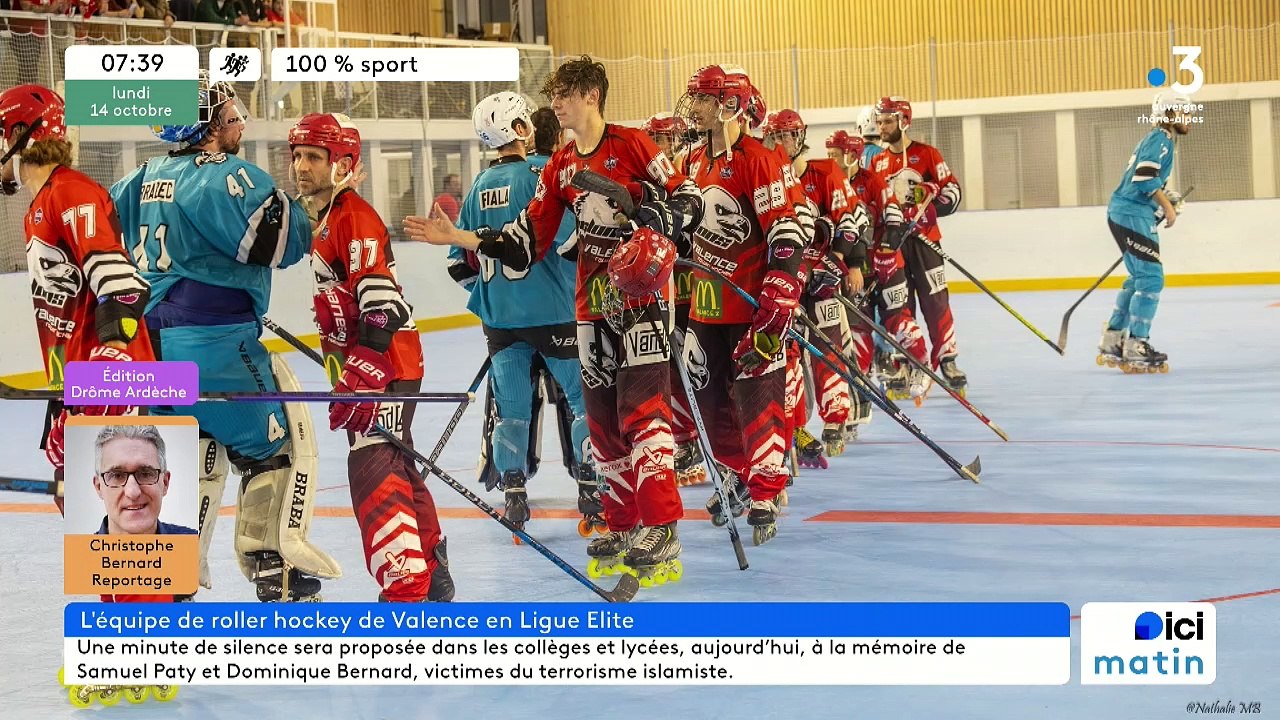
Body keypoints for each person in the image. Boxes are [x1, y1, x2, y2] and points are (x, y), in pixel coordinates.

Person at [406, 55, 702, 586]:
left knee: (642, 411)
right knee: (603, 421)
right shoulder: (559, 164)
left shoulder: (633, 144)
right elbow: (527, 242)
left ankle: (661, 523)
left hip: (643, 298)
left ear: (590, 94)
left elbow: (687, 197)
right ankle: (621, 518)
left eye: (563, 93)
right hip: (590, 305)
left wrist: (656, 220)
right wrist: (460, 240)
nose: (555, 103)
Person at [110, 72, 339, 602]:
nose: (237, 117)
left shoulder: (139, 177)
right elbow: (279, 244)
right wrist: (318, 205)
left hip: (150, 349)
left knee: (187, 455)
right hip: (218, 344)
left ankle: (159, 581)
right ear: (211, 122)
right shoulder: (229, 175)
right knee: (275, 447)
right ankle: (272, 565)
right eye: (230, 110)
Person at [290, 112, 453, 602]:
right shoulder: (326, 218)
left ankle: (406, 583)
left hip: (385, 367)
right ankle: (432, 562)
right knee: (394, 460)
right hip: (373, 367)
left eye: (314, 157)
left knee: (372, 470)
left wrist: (362, 368)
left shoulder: (353, 216)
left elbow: (382, 302)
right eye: (297, 155)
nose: (301, 166)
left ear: (342, 163)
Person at [0, 84, 154, 516]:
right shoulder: (41, 205)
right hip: (82, 385)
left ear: (20, 134)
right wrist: (65, 398)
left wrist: (104, 379)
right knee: (100, 541)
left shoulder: (70, 191)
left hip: (112, 390)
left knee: (129, 545)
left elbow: (123, 285)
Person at [446, 92, 593, 538]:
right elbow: (574, 243)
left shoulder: (474, 190)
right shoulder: (543, 177)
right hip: (555, 312)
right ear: (520, 128)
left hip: (500, 321)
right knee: (580, 401)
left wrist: (495, 295)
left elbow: (459, 265)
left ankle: (514, 494)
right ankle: (592, 487)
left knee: (511, 409)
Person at [675, 66, 805, 546]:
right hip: (705, 310)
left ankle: (766, 489)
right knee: (709, 404)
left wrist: (776, 303)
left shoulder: (759, 159)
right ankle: (732, 473)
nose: (694, 109)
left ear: (729, 105)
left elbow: (787, 238)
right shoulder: (689, 161)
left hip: (751, 308)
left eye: (704, 100)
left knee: (758, 401)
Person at [762, 108, 868, 458]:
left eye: (787, 135)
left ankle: (836, 418)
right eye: (774, 135)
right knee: (788, 355)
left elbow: (852, 221)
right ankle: (797, 429)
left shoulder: (826, 172)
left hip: (820, 279)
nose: (780, 142)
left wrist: (841, 261)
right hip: (787, 279)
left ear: (800, 136)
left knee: (830, 348)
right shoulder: (769, 173)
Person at [870, 96, 966, 393]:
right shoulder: (878, 162)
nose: (882, 127)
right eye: (880, 121)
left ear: (904, 122)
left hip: (925, 242)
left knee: (936, 302)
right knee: (900, 305)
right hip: (894, 245)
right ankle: (908, 361)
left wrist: (931, 190)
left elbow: (953, 192)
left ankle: (947, 358)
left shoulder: (928, 154)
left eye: (888, 121)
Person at [831, 128, 931, 404]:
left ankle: (922, 366)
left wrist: (887, 251)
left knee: (896, 319)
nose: (831, 160)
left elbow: (894, 218)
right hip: (856, 271)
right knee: (859, 328)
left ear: (852, 156)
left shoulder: (872, 181)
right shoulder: (831, 182)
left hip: (887, 265)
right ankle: (860, 392)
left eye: (835, 155)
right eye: (829, 155)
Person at [1096, 90, 1191, 374]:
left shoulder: (1156, 139)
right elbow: (1144, 178)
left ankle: (1113, 339)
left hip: (1125, 211)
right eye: (1186, 113)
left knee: (1139, 277)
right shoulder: (1161, 139)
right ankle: (1137, 343)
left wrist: (1164, 198)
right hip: (1131, 213)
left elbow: (1143, 180)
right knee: (1151, 278)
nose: (1190, 119)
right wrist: (1168, 208)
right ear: (1170, 114)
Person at [641, 111, 704, 486]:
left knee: (698, 364)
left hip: (697, 283)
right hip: (664, 284)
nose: (663, 147)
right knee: (670, 366)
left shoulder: (689, 178)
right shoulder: (648, 181)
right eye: (658, 139)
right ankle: (685, 440)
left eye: (667, 140)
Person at [92, 424, 196, 536]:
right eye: (117, 476)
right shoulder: (76, 552)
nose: (133, 492)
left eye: (145, 474)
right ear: (99, 487)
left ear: (165, 483)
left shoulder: (196, 544)